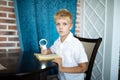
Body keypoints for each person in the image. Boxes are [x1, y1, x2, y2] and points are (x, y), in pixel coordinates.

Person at [40, 9, 88, 80]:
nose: (61, 27)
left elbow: (83, 68)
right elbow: (51, 50)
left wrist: (62, 69)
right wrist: (46, 51)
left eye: (64, 24)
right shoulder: (57, 42)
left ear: (70, 26)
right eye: (58, 24)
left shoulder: (76, 44)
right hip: (60, 78)